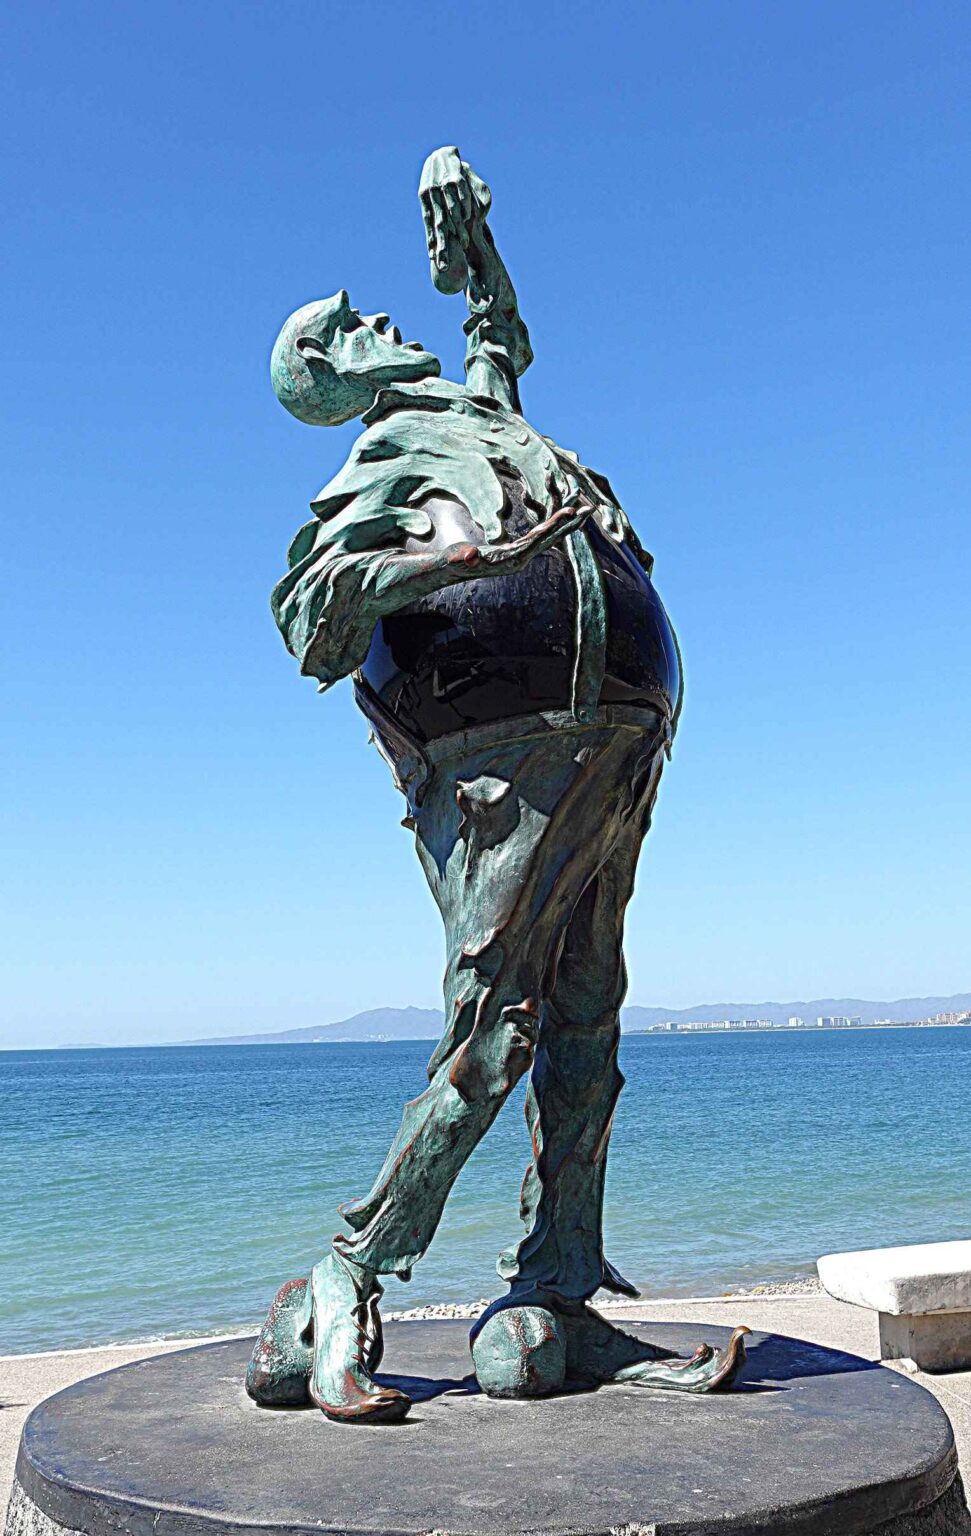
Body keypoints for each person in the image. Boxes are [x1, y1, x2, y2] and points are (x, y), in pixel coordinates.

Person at [248, 148, 745, 1423]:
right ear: (329, 382)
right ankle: (350, 1268)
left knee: (587, 1014)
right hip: (495, 759)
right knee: (498, 1029)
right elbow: (307, 621)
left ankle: (555, 1292)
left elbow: (496, 329)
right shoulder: (375, 460)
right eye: (342, 332)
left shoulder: (481, 413)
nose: (370, 323)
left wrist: (474, 243)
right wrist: (425, 561)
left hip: (618, 734)